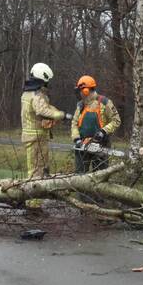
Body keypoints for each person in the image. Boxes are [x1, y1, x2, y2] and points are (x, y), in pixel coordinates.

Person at [21, 62, 71, 207]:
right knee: (37, 172)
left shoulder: (27, 92)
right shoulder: (37, 94)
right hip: (36, 137)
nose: (47, 84)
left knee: (36, 170)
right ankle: (33, 204)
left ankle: (33, 202)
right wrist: (61, 115)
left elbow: (41, 111)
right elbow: (43, 111)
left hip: (33, 136)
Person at [71, 75, 121, 173]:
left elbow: (116, 120)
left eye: (80, 90)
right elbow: (74, 123)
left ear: (86, 91)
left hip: (100, 145)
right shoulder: (80, 105)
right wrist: (76, 139)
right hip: (82, 145)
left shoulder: (104, 102)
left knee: (100, 177)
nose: (79, 93)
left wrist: (103, 131)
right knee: (79, 176)